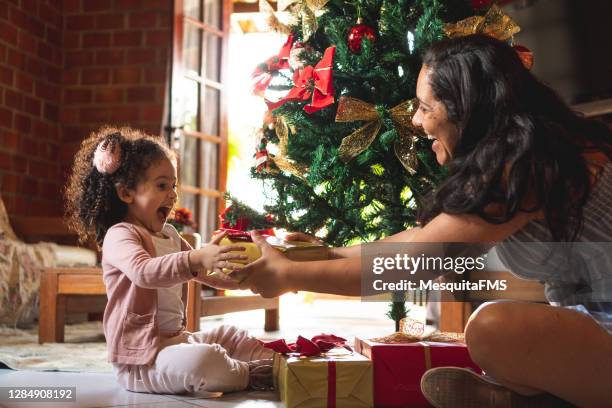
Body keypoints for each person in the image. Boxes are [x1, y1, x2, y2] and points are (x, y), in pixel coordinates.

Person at [231, 35, 612, 407]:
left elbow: (411, 267)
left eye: (425, 107)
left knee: (492, 330)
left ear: (467, 109)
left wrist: (288, 277)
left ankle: (525, 398)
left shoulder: (522, 167)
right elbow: (420, 240)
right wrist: (318, 255)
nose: (415, 120)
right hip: (591, 322)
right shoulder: (525, 150)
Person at [64, 126, 274, 395]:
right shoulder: (119, 235)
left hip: (176, 342)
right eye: (162, 185)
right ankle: (251, 373)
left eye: (173, 185)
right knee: (205, 360)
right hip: (141, 361)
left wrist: (245, 278)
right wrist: (197, 256)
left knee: (230, 334)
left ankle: (279, 363)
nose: (173, 194)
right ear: (127, 193)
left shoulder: (170, 234)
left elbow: (206, 274)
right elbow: (144, 271)